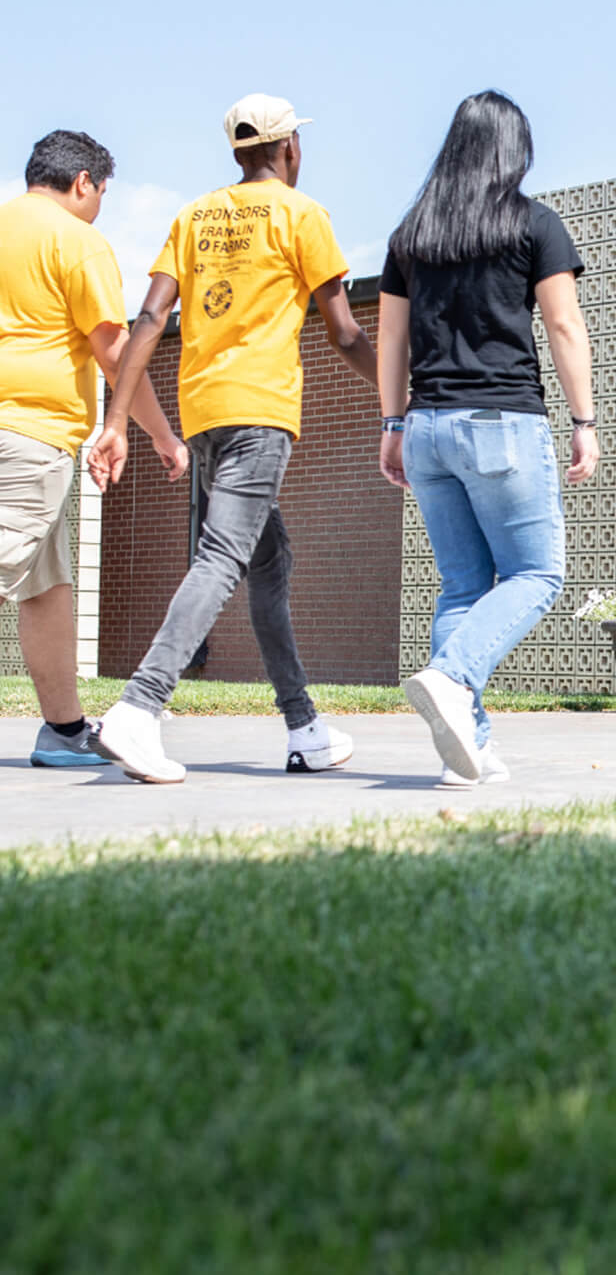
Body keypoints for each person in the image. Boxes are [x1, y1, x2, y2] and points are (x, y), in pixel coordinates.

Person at [86, 95, 377, 784]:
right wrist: (403, 393)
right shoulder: (303, 215)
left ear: (239, 151)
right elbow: (344, 331)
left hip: (206, 414)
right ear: (290, 149)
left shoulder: (193, 216)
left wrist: (116, 419)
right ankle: (139, 708)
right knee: (222, 558)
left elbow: (151, 317)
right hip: (261, 411)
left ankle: (304, 727)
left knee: (268, 561)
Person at [378, 90, 597, 787]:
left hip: (426, 428)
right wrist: (584, 421)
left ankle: (464, 751)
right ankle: (452, 676)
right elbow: (563, 327)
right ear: (514, 150)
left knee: (464, 585)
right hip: (501, 424)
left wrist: (392, 423)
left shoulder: (413, 233)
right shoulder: (533, 224)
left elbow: (390, 336)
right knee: (538, 574)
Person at [0, 131, 187, 766]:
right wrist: (161, 435)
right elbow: (115, 351)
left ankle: (63, 729)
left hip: (28, 434)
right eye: (103, 192)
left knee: (46, 586)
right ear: (84, 182)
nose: (100, 204)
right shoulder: (77, 241)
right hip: (28, 434)